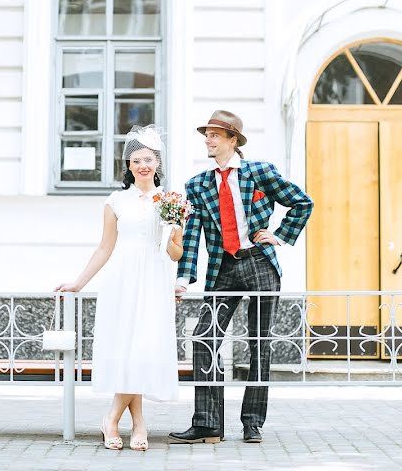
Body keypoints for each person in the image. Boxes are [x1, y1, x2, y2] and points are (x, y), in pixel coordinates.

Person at [168, 110, 313, 445]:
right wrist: (183, 279)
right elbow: (192, 237)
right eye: (207, 134)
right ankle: (207, 423)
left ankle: (252, 423)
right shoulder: (198, 185)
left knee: (259, 345)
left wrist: (280, 236)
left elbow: (302, 203)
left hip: (260, 264)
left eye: (216, 134)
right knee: (204, 338)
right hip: (223, 269)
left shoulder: (259, 172)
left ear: (233, 140)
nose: (209, 139)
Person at [55, 126, 183, 451]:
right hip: (123, 278)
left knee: (145, 348)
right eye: (137, 159)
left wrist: (174, 234)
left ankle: (112, 417)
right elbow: (104, 248)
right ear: (128, 165)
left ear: (157, 164)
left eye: (149, 159)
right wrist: (78, 282)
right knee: (128, 348)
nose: (143, 165)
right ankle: (138, 423)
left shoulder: (169, 200)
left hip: (154, 278)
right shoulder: (115, 201)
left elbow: (175, 253)